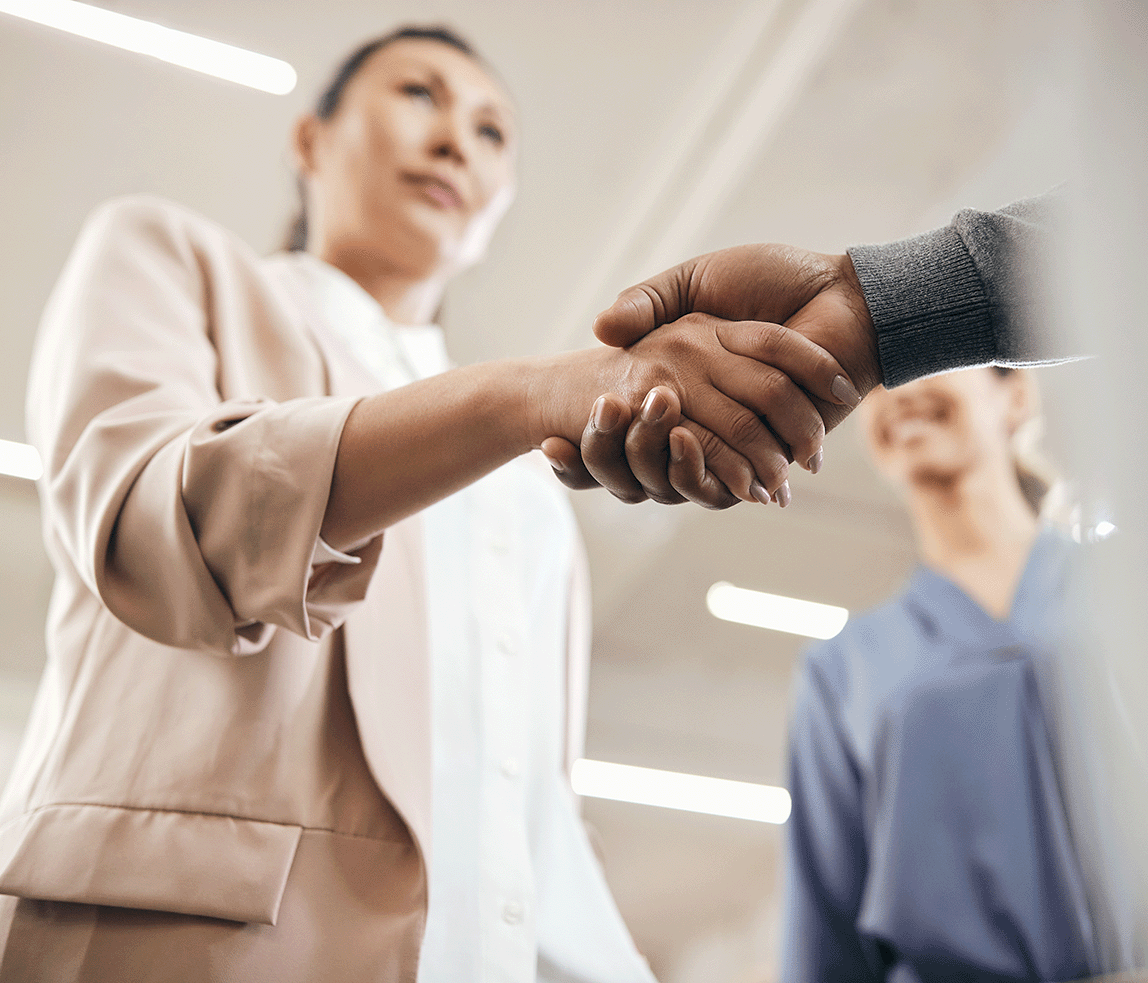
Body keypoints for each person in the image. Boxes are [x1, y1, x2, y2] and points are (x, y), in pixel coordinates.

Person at [0, 25, 860, 982]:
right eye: (419, 95)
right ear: (310, 143)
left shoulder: (534, 484)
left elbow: (527, 801)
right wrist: (526, 392)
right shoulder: (172, 259)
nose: (459, 141)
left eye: (493, 133)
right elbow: (158, 523)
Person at [781, 365, 1098, 981]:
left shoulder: (1123, 596)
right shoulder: (844, 670)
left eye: (932, 359)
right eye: (876, 379)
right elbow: (823, 935)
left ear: (1017, 394)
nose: (897, 393)